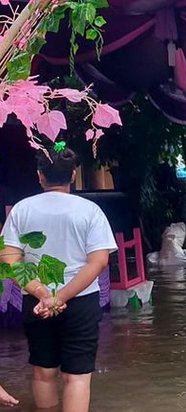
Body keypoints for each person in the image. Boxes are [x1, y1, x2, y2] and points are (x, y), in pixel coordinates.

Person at [0, 145, 117, 412]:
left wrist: (42, 294)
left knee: (43, 371)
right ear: (74, 175)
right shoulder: (90, 211)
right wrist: (60, 297)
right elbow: (98, 262)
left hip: (36, 302)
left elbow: (9, 259)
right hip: (81, 302)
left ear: (40, 175)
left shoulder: (21, 210)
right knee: (76, 378)